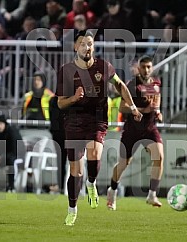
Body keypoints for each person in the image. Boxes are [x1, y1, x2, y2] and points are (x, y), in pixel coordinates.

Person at [55, 29, 143, 226]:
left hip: (97, 119)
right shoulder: (66, 70)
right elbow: (60, 103)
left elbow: (120, 85)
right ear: (76, 47)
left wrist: (133, 107)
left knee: (94, 154)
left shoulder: (104, 67)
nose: (88, 47)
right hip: (74, 121)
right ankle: (72, 209)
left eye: (91, 44)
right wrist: (74, 98)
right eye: (84, 44)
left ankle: (92, 183)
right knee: (75, 169)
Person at [106, 55, 164, 211]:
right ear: (138, 68)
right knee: (124, 163)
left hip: (150, 128)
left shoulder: (156, 83)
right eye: (143, 67)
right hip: (132, 130)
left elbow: (156, 99)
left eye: (149, 67)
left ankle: (152, 194)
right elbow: (123, 107)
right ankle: (112, 190)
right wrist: (141, 110)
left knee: (159, 157)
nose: (146, 70)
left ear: (152, 68)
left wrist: (158, 111)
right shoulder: (133, 86)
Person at [49, 96, 67, 194]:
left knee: (65, 162)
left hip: (64, 135)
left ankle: (64, 187)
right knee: (62, 162)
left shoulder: (53, 100)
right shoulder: (53, 100)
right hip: (60, 135)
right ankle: (61, 187)